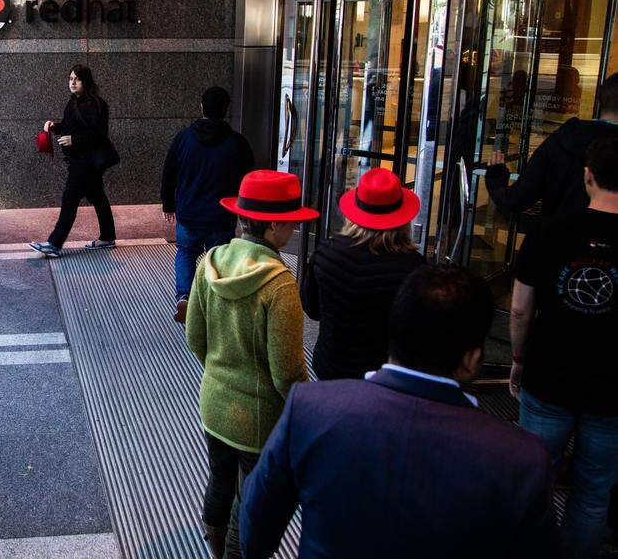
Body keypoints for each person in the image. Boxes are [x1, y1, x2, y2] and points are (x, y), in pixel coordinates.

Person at [239, 265, 559, 559]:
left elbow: (255, 519)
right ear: (472, 359)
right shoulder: (522, 460)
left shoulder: (310, 409)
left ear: (392, 333)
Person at [184, 170, 313, 558]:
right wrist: (304, 411)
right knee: (251, 496)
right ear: (274, 225)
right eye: (290, 221)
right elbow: (287, 370)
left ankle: (215, 547)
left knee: (220, 478)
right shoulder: (280, 284)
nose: (292, 228)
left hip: (213, 401)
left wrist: (222, 369)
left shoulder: (210, 262)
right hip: (258, 417)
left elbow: (194, 337)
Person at [510, 135, 618, 559]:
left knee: (532, 482)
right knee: (593, 494)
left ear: (587, 176)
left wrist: (518, 359)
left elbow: (519, 308)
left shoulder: (549, 230)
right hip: (612, 390)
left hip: (549, 374)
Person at [302, 167, 425, 380]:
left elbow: (312, 309)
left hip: (330, 365)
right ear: (402, 218)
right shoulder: (415, 267)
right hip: (384, 375)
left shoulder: (326, 252)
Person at [160, 86, 255, 323]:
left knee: (185, 253)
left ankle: (184, 296)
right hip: (222, 216)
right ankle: (214, 303)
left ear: (201, 106)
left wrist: (168, 204)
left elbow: (169, 172)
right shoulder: (237, 143)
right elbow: (248, 179)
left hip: (189, 212)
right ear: (226, 109)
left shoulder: (184, 138)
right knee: (219, 258)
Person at [486, 71, 618, 217]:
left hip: (554, 235)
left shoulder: (563, 139)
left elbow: (518, 198)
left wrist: (496, 177)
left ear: (601, 101)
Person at [29, 64, 117, 258]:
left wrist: (74, 140)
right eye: (70, 79)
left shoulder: (97, 105)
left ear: (86, 81)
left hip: (86, 162)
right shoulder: (72, 102)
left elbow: (100, 134)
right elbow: (69, 126)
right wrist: (55, 127)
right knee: (97, 196)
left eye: (76, 79)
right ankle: (108, 236)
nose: (72, 82)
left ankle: (54, 244)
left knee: (69, 200)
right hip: (78, 160)